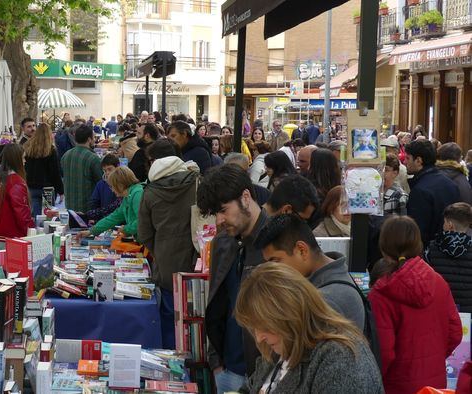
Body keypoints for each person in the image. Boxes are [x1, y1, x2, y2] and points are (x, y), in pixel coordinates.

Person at [237, 263, 383, 394]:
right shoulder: (282, 345)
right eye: (255, 328)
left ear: (289, 314)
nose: (259, 337)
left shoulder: (340, 359)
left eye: (265, 326)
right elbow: (250, 387)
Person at [196, 165, 269, 392]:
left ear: (245, 197)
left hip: (264, 374)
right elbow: (217, 300)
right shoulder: (223, 242)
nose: (218, 220)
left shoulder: (277, 243)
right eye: (214, 214)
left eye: (223, 210)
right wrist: (216, 361)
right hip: (228, 369)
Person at [369, 216, 462, 393]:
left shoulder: (382, 293)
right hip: (435, 383)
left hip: (396, 384)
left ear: (384, 246)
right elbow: (455, 332)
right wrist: (432, 357)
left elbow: (384, 352)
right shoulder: (437, 281)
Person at [138, 142, 200, 349]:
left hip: (166, 262)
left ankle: (172, 359)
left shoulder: (150, 192)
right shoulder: (196, 183)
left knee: (169, 315)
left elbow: (144, 233)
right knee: (197, 315)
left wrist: (160, 249)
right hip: (197, 258)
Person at [255, 214, 365, 329]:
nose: (272, 271)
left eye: (275, 261)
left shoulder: (327, 299)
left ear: (302, 250)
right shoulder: (328, 280)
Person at [0, 143, 34, 267]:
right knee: (14, 275)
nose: (25, 161)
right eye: (23, 158)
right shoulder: (15, 181)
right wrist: (32, 232)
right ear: (16, 160)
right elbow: (21, 212)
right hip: (6, 234)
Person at [406, 139, 460, 245]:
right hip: (451, 246)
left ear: (418, 160)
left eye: (408, 158)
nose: (404, 162)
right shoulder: (450, 183)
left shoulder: (420, 190)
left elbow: (418, 231)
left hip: (429, 252)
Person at [426, 202, 472, 313]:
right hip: (468, 310)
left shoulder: (432, 248)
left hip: (439, 308)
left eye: (444, 222)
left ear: (450, 225)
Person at [78, 167, 143, 240]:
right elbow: (114, 217)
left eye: (112, 186)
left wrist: (126, 229)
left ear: (120, 184)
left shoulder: (137, 194)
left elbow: (141, 220)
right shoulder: (128, 196)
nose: (112, 190)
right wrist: (91, 231)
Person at [23, 123, 64, 217]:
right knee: (48, 216)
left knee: (35, 215)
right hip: (48, 187)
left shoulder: (29, 148)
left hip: (32, 185)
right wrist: (61, 191)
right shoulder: (51, 150)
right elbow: (55, 173)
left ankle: (35, 230)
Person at [61, 125, 103, 213]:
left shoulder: (66, 155)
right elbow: (100, 182)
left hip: (69, 206)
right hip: (87, 207)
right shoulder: (93, 158)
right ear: (89, 139)